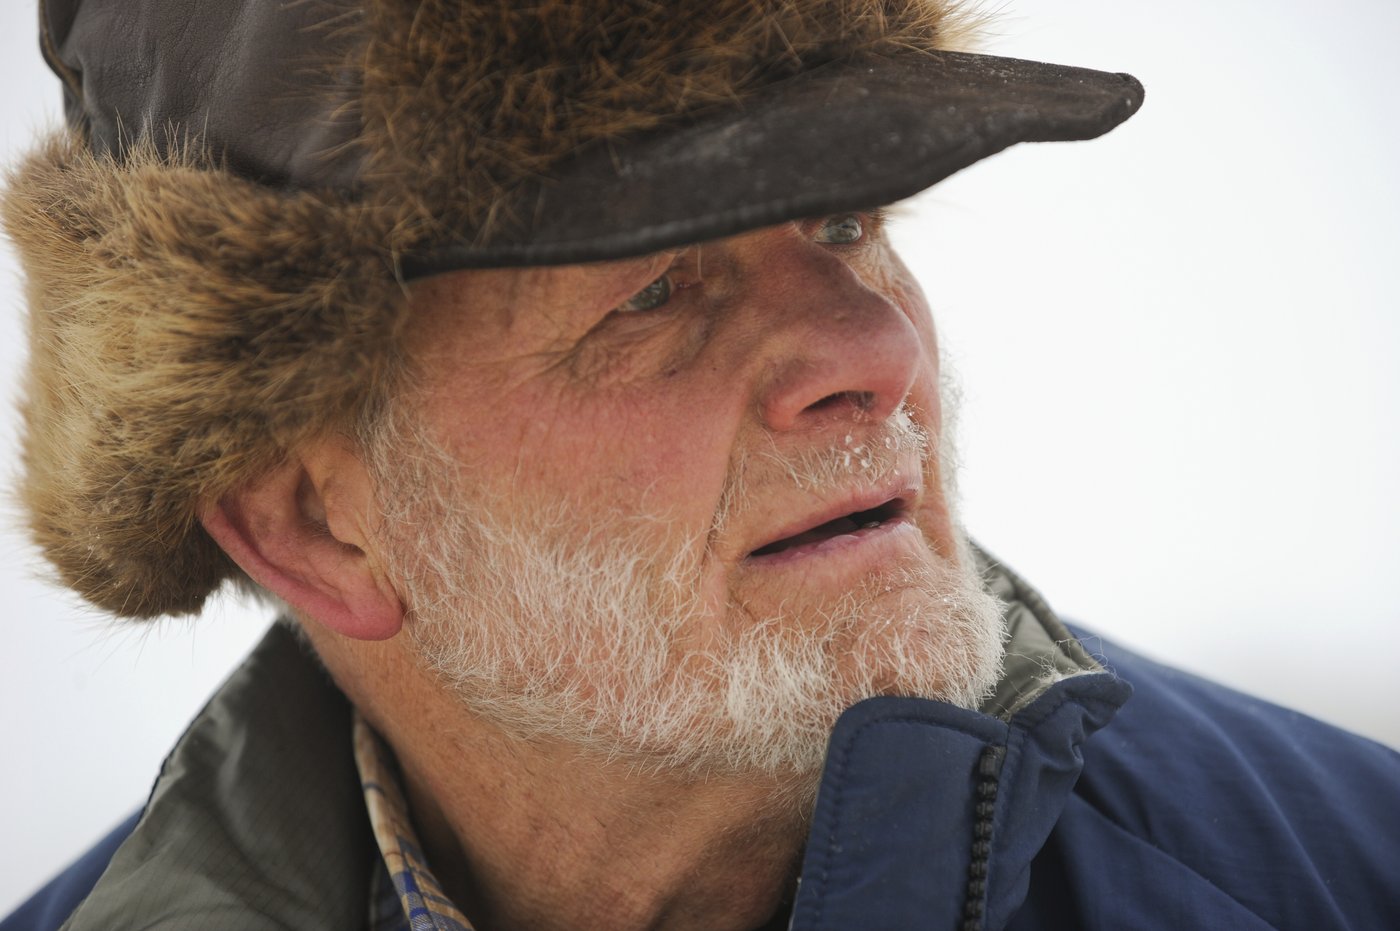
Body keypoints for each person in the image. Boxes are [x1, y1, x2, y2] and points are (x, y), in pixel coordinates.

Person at [2, 1, 1397, 929]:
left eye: (849, 224)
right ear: (314, 524)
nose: (868, 351)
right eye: (654, 293)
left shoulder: (1339, 876)